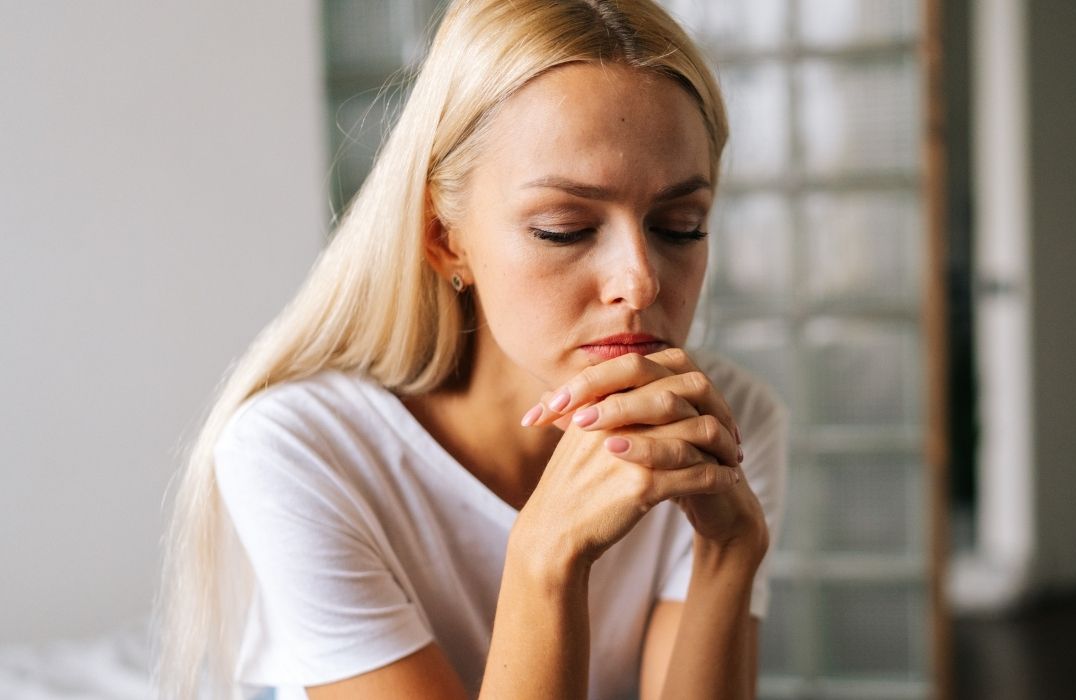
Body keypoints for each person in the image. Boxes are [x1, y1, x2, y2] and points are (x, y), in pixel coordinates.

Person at [154, 1, 787, 698]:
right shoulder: (302, 449)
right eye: (564, 228)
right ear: (444, 238)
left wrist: (730, 552)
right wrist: (545, 557)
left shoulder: (724, 421)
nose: (639, 280)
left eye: (681, 226)